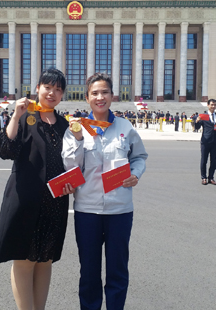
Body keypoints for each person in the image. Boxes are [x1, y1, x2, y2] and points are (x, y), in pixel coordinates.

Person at [62, 73, 148, 310]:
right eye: (95, 93)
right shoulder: (76, 129)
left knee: (118, 271)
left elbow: (139, 157)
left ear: (112, 95)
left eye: (105, 92)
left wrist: (135, 174)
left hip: (120, 210)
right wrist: (78, 139)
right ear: (87, 98)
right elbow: (70, 168)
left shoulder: (125, 126)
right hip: (87, 211)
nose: (100, 97)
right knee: (89, 271)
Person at [0, 68, 70, 310]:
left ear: (62, 94)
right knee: (24, 260)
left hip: (54, 203)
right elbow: (4, 150)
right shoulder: (25, 118)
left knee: (45, 260)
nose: (52, 93)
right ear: (37, 89)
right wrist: (15, 116)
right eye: (48, 87)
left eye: (58, 89)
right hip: (26, 199)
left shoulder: (65, 125)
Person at [195, 99, 216, 185]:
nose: (213, 106)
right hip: (205, 141)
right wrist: (197, 121)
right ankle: (203, 177)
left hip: (215, 141)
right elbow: (197, 127)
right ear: (208, 105)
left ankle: (211, 177)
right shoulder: (203, 116)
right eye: (212, 105)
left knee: (213, 160)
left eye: (215, 105)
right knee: (204, 160)